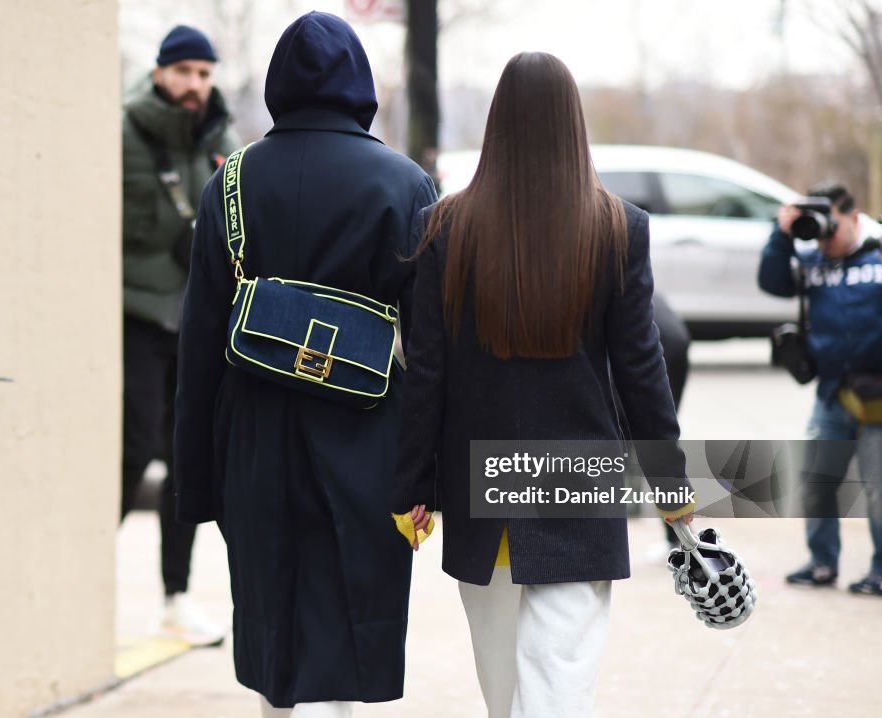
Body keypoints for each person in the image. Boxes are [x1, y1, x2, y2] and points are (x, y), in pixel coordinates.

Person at [391, 52, 695, 718]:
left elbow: (427, 375)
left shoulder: (444, 228)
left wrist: (414, 488)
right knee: (561, 685)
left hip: (483, 492)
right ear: (573, 125)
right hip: (577, 486)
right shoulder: (619, 229)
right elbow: (643, 370)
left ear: (496, 124)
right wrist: (671, 489)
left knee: (504, 695)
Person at [173, 12, 437, 717]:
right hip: (367, 437)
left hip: (254, 439)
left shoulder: (229, 184)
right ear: (360, 84)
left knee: (273, 627)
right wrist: (424, 474)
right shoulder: (405, 185)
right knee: (348, 624)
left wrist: (196, 483)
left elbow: (198, 345)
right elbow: (432, 349)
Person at [120, 24, 240, 645]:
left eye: (204, 73)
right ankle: (88, 586)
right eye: (184, 71)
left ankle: (175, 597)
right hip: (135, 317)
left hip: (197, 324)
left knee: (186, 457)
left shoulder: (223, 140)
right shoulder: (124, 132)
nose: (195, 84)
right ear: (162, 72)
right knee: (133, 448)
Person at [758, 183, 882, 596]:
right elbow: (772, 283)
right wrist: (783, 232)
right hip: (832, 391)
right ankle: (822, 562)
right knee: (817, 479)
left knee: (877, 486)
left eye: (831, 227)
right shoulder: (813, 260)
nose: (825, 239)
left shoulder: (879, 250)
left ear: (852, 215)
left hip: (878, 393)